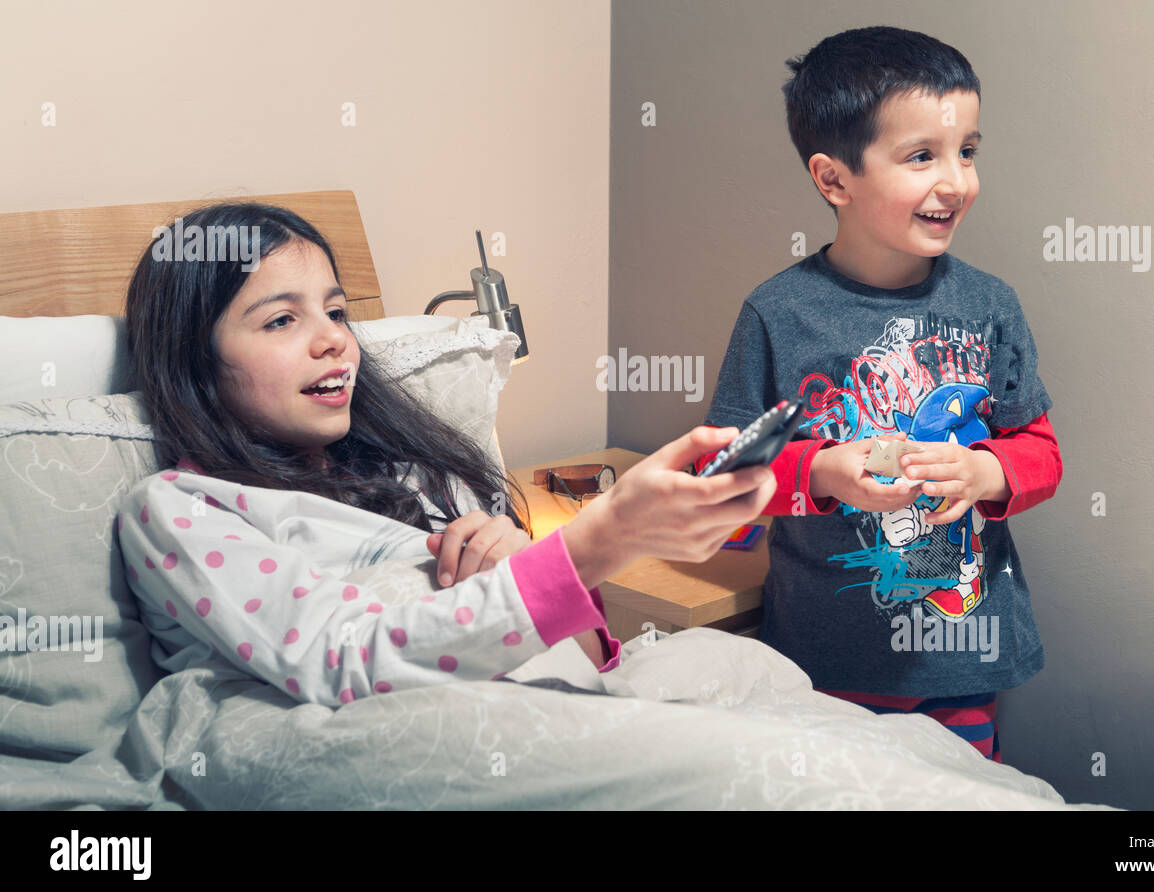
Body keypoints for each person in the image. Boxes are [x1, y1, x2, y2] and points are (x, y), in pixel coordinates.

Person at [118, 202, 775, 708]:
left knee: (754, 670)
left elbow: (590, 661)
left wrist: (524, 562)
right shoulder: (181, 509)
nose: (335, 343)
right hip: (437, 731)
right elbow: (338, 660)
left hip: (565, 700)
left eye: (337, 312)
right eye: (282, 320)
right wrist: (593, 543)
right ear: (194, 360)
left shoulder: (422, 471)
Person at [698, 26, 1062, 763]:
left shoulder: (991, 305)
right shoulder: (779, 315)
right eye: (921, 156)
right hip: (825, 663)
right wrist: (822, 475)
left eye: (967, 151)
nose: (956, 180)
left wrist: (986, 471)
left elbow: (1041, 453)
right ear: (834, 180)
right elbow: (724, 481)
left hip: (962, 660)